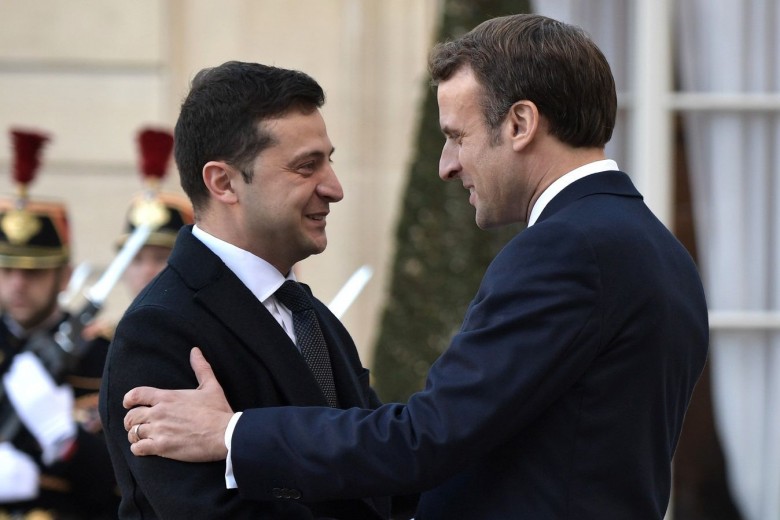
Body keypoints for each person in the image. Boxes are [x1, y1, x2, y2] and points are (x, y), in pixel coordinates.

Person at [123, 14, 709, 519]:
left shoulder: (567, 250)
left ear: (520, 124)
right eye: (306, 166)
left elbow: (423, 440)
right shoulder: (656, 247)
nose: (447, 165)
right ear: (222, 183)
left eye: (456, 135)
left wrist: (231, 434)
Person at [99, 61, 395, 519]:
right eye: (306, 167)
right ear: (224, 183)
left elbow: (377, 474)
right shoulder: (159, 330)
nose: (334, 188)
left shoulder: (307, 312)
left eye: (329, 161)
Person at [0, 128, 119, 519]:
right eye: (7, 270)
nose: (18, 284)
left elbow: (125, 486)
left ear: (64, 276)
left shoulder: (102, 356)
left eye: (34, 272)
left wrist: (67, 441)